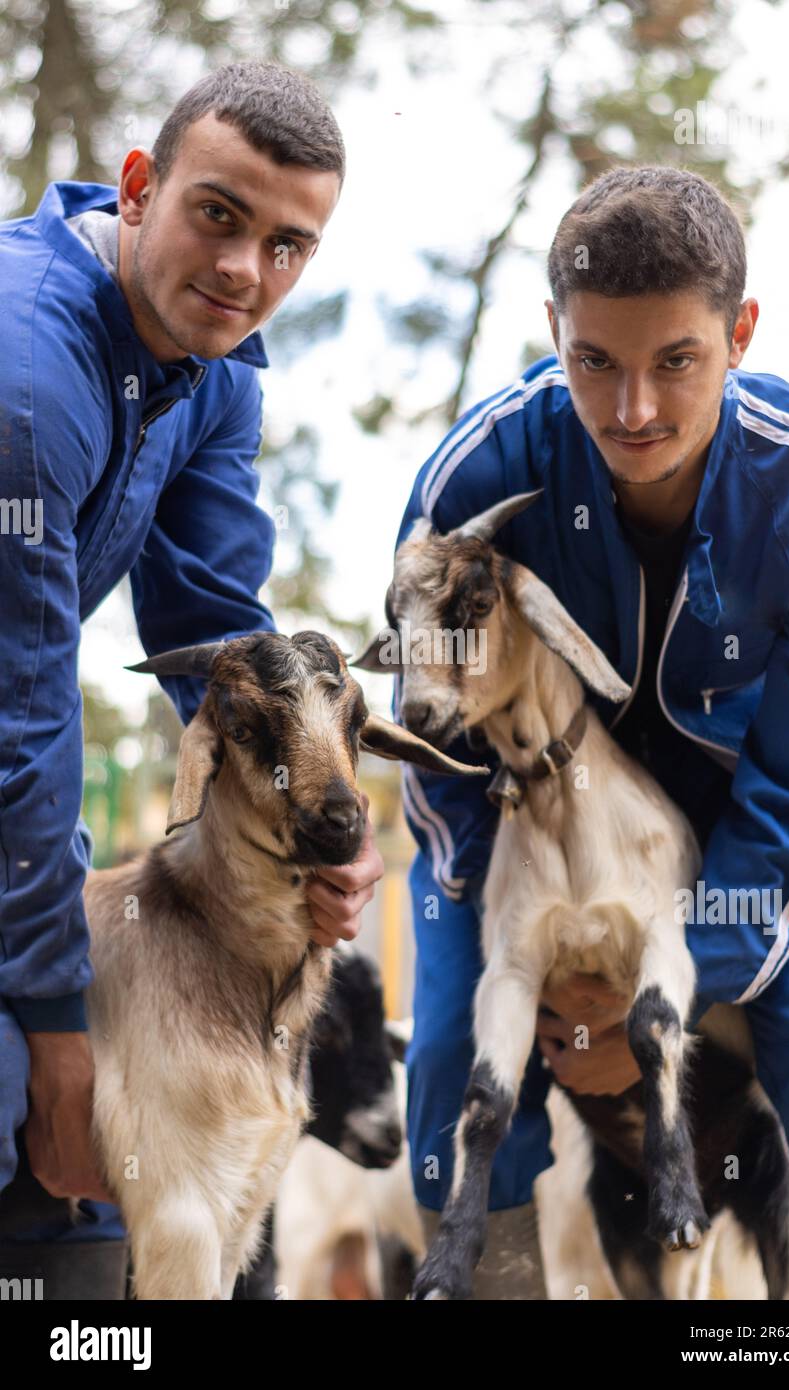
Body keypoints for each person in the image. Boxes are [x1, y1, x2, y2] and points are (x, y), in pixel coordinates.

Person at [397, 164, 789, 1298]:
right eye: (593, 361)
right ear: (551, 330)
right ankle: (491, 1282)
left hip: (757, 834)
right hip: (525, 832)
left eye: (675, 362)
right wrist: (517, 938)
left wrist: (656, 997)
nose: (632, 409)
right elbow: (436, 747)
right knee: (448, 1061)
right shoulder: (472, 479)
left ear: (739, 332)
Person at [0, 60, 383, 1299]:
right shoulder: (27, 379)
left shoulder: (214, 373)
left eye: (287, 245)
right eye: (217, 215)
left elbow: (220, 632)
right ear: (139, 186)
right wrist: (57, 1034)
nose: (243, 271)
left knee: (88, 1227)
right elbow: (21, 719)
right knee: (27, 1089)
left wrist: (317, 820)